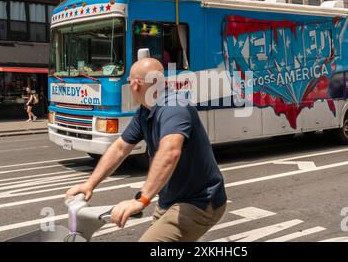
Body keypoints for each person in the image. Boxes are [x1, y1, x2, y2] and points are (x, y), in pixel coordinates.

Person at [66, 58, 227, 242]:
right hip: (169, 201)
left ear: (135, 85)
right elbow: (120, 148)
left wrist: (141, 200)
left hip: (199, 202)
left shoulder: (173, 107)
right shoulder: (146, 110)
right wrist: (90, 184)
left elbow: (170, 152)